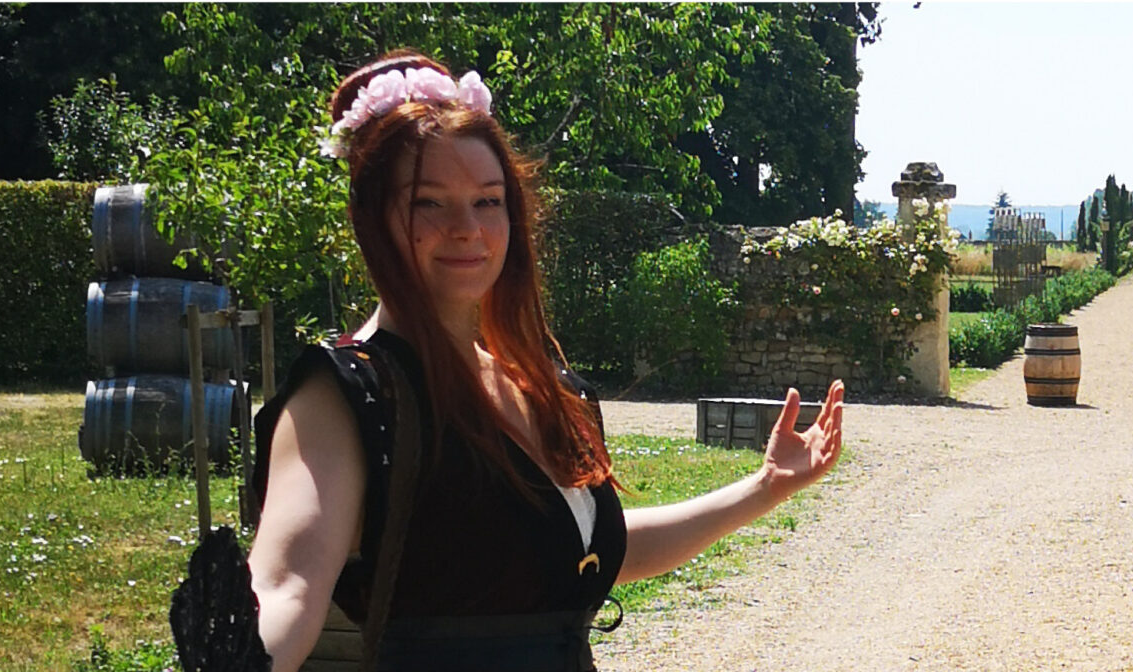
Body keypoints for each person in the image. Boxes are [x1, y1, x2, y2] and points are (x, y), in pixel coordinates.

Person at [247, 50, 846, 672]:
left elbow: (591, 553)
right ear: (372, 218)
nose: (467, 228)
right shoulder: (346, 396)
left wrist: (766, 486)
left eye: (487, 201)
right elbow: (286, 585)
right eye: (429, 202)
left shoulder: (534, 385)